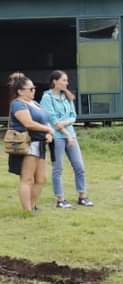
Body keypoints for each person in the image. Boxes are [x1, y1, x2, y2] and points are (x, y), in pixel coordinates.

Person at [40, 70, 91, 208]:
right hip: (57, 137)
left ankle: (82, 196)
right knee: (58, 169)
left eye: (66, 80)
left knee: (79, 167)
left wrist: (64, 124)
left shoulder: (67, 97)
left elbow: (74, 116)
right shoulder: (47, 97)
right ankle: (60, 200)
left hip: (71, 136)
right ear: (55, 81)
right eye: (64, 80)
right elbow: (52, 119)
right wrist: (65, 132)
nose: (66, 83)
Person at [7, 72, 52, 212]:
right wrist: (47, 129)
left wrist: (49, 132)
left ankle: (32, 206)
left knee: (41, 179)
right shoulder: (18, 104)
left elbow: (45, 120)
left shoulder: (34, 103)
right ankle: (27, 211)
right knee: (27, 179)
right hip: (28, 144)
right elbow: (28, 123)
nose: (34, 91)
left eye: (34, 88)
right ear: (20, 91)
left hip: (40, 144)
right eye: (31, 89)